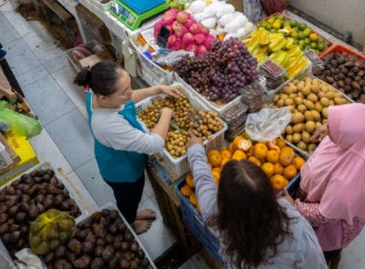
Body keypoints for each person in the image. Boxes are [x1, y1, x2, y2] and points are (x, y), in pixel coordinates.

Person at [186, 135, 327, 268]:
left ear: (222, 198)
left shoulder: (216, 215)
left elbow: (203, 181)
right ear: (270, 192)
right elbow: (317, 264)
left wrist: (195, 150)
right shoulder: (296, 229)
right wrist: (289, 207)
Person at [74, 61, 179, 234]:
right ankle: (129, 222)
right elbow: (154, 144)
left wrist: (156, 90)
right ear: (104, 98)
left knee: (132, 199)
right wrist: (166, 114)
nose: (129, 93)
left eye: (129, 85)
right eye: (124, 91)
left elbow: (129, 99)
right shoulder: (107, 125)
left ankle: (132, 214)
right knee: (129, 199)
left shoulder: (95, 93)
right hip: (122, 173)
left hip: (116, 156)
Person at [291, 104, 365, 269]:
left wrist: (293, 206)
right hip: (324, 203)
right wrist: (329, 130)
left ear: (348, 136)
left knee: (320, 252)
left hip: (329, 225)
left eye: (331, 127)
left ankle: (327, 262)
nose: (327, 127)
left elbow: (323, 215)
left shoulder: (349, 180)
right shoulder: (362, 141)